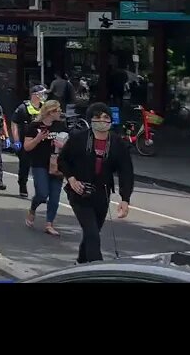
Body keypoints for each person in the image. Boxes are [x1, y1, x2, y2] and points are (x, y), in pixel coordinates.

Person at [58, 102, 133, 264]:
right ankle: (98, 267)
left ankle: (81, 263)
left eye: (106, 117)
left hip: (102, 194)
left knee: (92, 233)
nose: (102, 121)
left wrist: (125, 199)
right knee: (92, 232)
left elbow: (126, 171)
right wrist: (71, 178)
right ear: (90, 120)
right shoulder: (79, 138)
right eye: (97, 117)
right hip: (80, 192)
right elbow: (62, 160)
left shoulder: (117, 143)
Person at [24, 100, 68, 237]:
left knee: (55, 196)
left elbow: (68, 142)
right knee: (43, 193)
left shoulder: (60, 125)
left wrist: (63, 145)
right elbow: (27, 147)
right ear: (50, 112)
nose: (60, 112)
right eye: (58, 110)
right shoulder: (35, 126)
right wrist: (38, 139)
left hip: (57, 164)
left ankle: (49, 224)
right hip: (40, 164)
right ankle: (32, 209)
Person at [10, 85, 46, 198]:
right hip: (26, 141)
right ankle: (22, 185)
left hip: (41, 141)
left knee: (40, 167)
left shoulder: (45, 108)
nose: (44, 96)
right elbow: (14, 122)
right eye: (42, 93)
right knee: (25, 165)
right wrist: (16, 140)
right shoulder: (23, 108)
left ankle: (41, 191)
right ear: (35, 95)